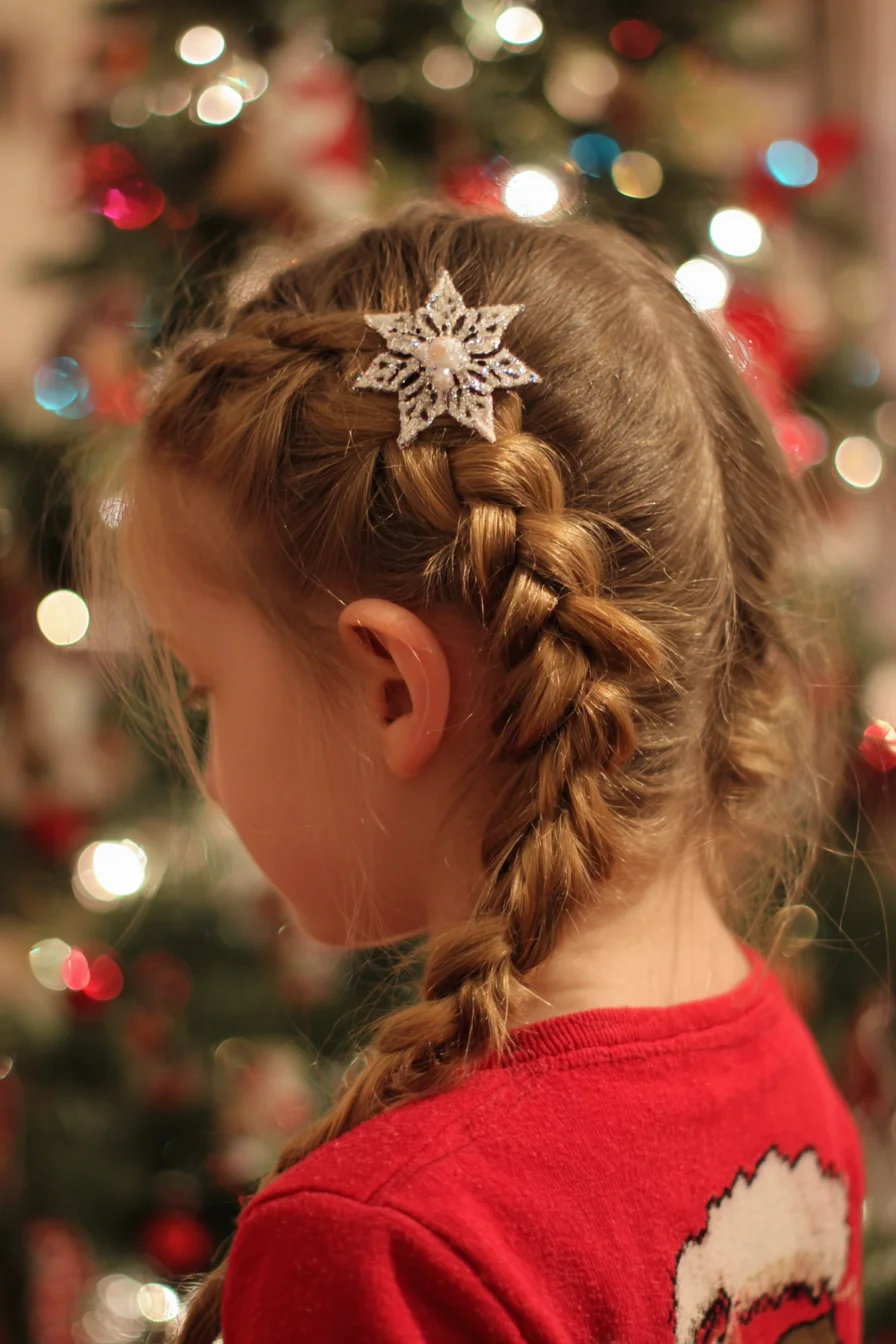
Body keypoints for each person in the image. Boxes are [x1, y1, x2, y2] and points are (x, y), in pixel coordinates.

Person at [73, 199, 864, 1342]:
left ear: (393, 689)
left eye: (204, 689)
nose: (205, 763)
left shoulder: (385, 1246)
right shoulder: (774, 1064)